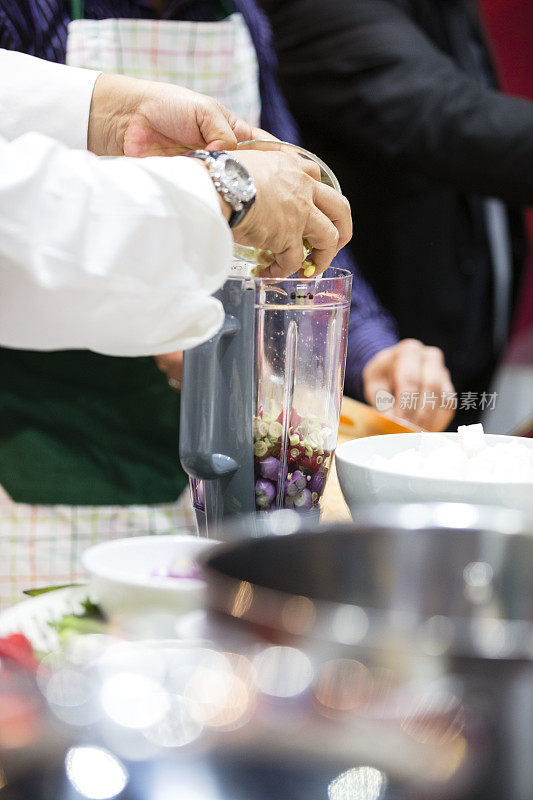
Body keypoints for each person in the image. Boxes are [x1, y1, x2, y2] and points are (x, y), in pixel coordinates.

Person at [0, 48, 350, 606]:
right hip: (54, 444)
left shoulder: (245, 22)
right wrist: (224, 189)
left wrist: (112, 112)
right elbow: (19, 219)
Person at [259, 0, 533, 427]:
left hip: (398, 356)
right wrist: (368, 345)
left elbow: (316, 226)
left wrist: (372, 345)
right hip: (320, 375)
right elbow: (447, 116)